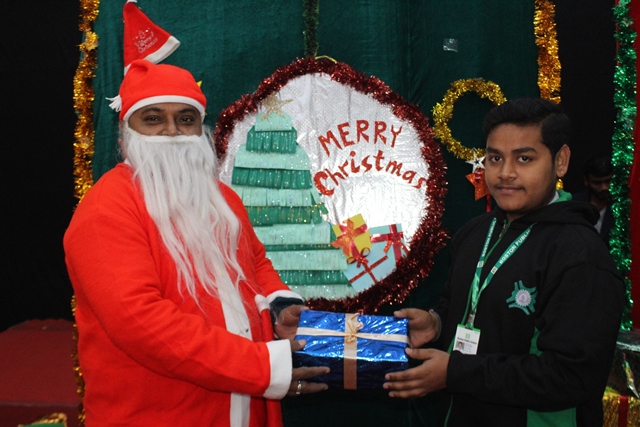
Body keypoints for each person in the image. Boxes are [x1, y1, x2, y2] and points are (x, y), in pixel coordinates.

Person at [64, 59, 328, 427]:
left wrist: (279, 306)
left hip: (244, 410)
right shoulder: (107, 208)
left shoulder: (221, 198)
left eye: (185, 119)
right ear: (126, 133)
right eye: (153, 119)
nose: (172, 132)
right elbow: (140, 323)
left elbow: (255, 263)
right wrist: (261, 366)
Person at [383, 98, 624, 426]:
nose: (505, 173)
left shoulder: (581, 255)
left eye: (524, 158)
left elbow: (571, 377)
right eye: (495, 158)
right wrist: (437, 324)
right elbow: (460, 305)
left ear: (561, 161)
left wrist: (457, 372)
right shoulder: (475, 232)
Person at [572, 155, 614, 246]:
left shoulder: (621, 206)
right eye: (597, 183)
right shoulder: (575, 204)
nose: (604, 187)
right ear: (586, 181)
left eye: (608, 181)